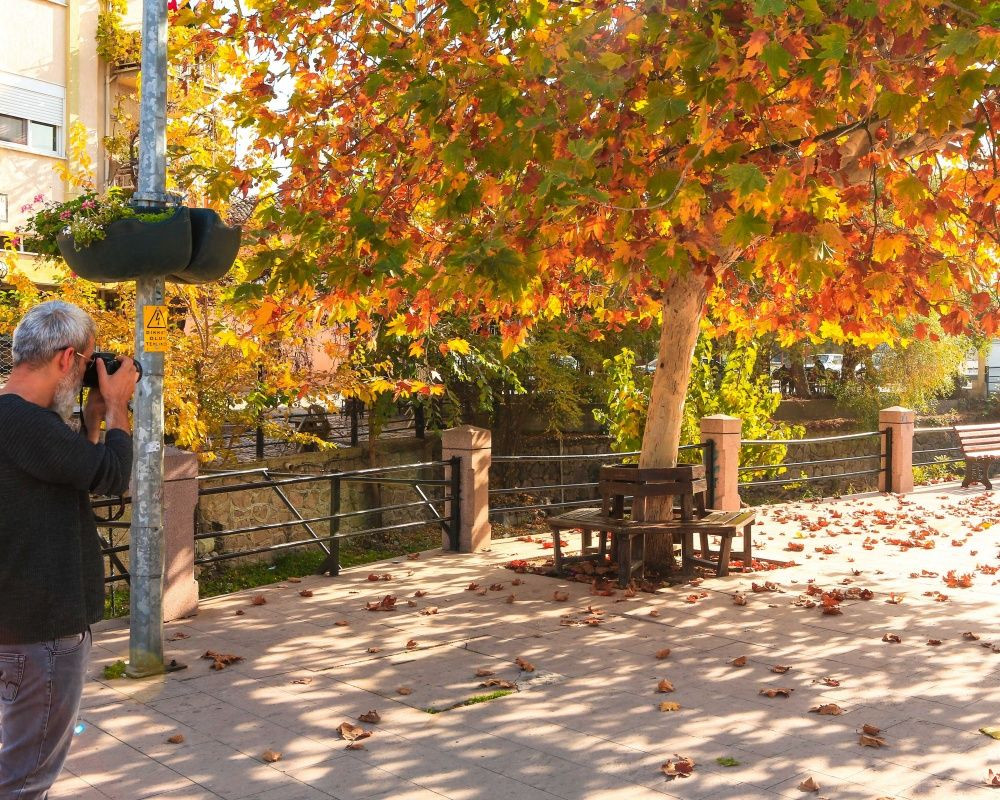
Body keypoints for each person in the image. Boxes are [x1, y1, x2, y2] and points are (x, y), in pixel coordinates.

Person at [0, 300, 136, 799]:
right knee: (24, 780)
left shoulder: (19, 420)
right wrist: (118, 405)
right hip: (42, 632)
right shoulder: (24, 423)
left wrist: (94, 420)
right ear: (65, 359)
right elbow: (112, 475)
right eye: (87, 363)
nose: (87, 375)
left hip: (18, 627)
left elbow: (71, 474)